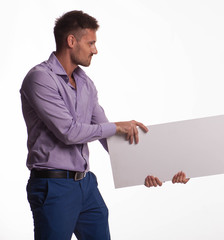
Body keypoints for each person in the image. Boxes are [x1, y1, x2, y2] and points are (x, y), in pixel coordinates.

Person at [20, 10, 148, 240]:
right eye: (91, 43)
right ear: (71, 41)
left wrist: (148, 169)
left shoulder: (85, 83)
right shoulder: (39, 79)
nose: (95, 50)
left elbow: (106, 134)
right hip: (54, 187)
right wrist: (117, 126)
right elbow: (69, 133)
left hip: (86, 185)